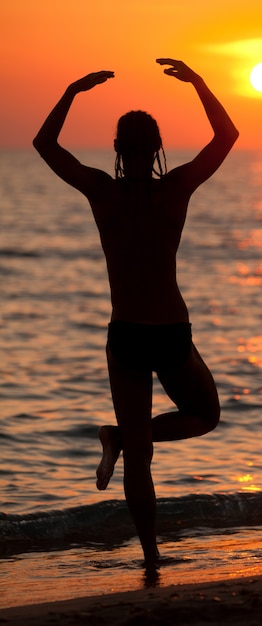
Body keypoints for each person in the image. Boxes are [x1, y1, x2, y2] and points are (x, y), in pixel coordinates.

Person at [33, 59, 239, 569]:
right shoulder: (176, 189)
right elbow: (226, 135)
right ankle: (124, 439)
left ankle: (150, 556)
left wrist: (71, 91)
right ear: (158, 147)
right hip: (170, 331)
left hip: (126, 333)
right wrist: (199, 83)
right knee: (206, 415)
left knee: (140, 459)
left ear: (119, 150)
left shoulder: (104, 191)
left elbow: (44, 145)